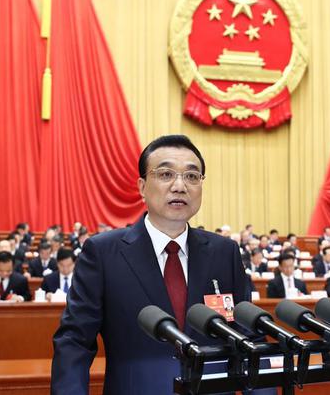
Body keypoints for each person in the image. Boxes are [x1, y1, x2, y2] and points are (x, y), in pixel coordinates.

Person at [51, 135, 252, 395]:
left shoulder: (225, 252)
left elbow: (249, 340)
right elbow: (75, 342)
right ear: (142, 186)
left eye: (192, 176)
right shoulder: (103, 253)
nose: (180, 186)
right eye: (166, 174)